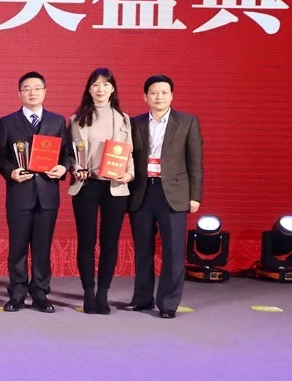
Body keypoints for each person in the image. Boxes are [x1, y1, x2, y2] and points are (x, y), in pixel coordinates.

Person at [123, 75, 204, 319]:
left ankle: (168, 303)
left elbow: (195, 162)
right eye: (154, 93)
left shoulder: (187, 122)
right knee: (142, 250)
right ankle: (142, 299)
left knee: (173, 252)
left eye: (164, 92)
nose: (159, 97)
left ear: (172, 95)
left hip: (174, 194)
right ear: (145, 97)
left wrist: (195, 196)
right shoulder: (134, 123)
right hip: (142, 192)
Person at [0, 71, 72, 313]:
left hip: (47, 194)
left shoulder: (57, 121)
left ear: (45, 91)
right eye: (27, 88)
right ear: (19, 93)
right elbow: (0, 157)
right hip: (19, 193)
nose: (32, 92)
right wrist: (11, 172)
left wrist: (63, 168)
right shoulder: (8, 122)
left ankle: (40, 293)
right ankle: (17, 293)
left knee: (42, 248)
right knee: (17, 247)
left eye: (37, 88)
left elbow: (67, 154)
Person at [68, 68, 134, 315]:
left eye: (105, 84)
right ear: (89, 89)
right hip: (86, 186)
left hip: (115, 187)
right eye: (95, 84)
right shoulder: (76, 119)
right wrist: (75, 168)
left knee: (110, 243)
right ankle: (88, 291)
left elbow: (130, 152)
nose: (100, 89)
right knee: (86, 241)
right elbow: (70, 153)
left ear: (112, 88)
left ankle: (103, 293)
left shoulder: (124, 119)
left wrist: (128, 175)